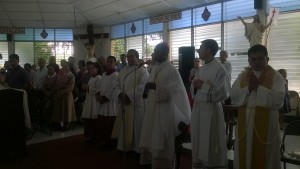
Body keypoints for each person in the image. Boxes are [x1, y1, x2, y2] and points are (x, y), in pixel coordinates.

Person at [230, 44, 285, 169]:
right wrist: (249, 88)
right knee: (245, 152)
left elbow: (278, 100)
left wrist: (258, 88)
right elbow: (234, 96)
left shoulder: (276, 77)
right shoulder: (242, 76)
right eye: (253, 59)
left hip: (267, 121)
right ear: (249, 60)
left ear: (267, 59)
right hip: (246, 121)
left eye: (260, 58)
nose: (257, 62)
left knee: (266, 156)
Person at [139, 42, 191, 169]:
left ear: (163, 54)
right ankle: (151, 160)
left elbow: (176, 90)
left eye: (156, 51)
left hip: (165, 110)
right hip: (153, 107)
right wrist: (147, 90)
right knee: (151, 132)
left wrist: (155, 86)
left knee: (161, 135)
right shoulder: (156, 67)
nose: (154, 54)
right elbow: (150, 83)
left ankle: (163, 164)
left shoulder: (171, 69)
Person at [191, 39, 230, 169]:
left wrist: (203, 86)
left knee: (211, 142)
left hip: (211, 111)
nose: (198, 50)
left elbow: (224, 93)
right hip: (199, 110)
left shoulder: (220, 69)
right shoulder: (202, 68)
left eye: (201, 47)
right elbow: (195, 88)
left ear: (208, 50)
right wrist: (196, 86)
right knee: (199, 140)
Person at [111, 49, 149, 153]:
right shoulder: (123, 71)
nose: (129, 58)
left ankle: (137, 149)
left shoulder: (142, 71)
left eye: (132, 56)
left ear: (137, 57)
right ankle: (124, 147)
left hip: (135, 105)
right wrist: (120, 95)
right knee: (124, 125)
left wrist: (128, 96)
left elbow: (142, 87)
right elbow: (115, 85)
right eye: (128, 56)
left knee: (136, 126)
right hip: (124, 103)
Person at [96, 56, 118, 147]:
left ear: (114, 63)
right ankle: (104, 141)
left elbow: (113, 88)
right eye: (107, 61)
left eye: (111, 62)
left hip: (110, 103)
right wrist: (98, 96)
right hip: (102, 101)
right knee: (103, 122)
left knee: (110, 123)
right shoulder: (104, 74)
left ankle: (111, 143)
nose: (109, 63)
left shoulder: (116, 75)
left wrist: (104, 98)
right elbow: (101, 87)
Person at [81, 62, 101, 142]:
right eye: (90, 68)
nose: (91, 69)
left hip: (94, 101)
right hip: (89, 100)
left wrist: (88, 88)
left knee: (94, 119)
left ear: (97, 69)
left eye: (93, 68)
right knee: (89, 119)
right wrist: (87, 88)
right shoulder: (91, 78)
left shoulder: (99, 78)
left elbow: (98, 90)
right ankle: (90, 136)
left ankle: (95, 137)